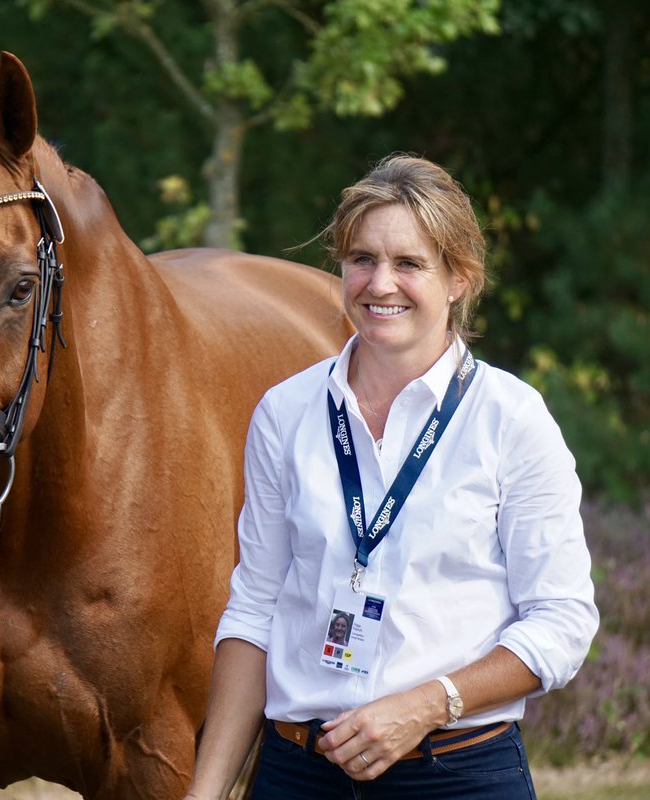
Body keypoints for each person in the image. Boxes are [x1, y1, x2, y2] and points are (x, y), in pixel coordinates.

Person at [182, 154, 599, 799]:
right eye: (362, 259)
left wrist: (430, 703)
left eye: (409, 263)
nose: (380, 284)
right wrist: (204, 794)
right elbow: (254, 613)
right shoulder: (285, 412)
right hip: (298, 775)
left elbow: (562, 621)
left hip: (455, 777)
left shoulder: (511, 419)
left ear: (459, 278)